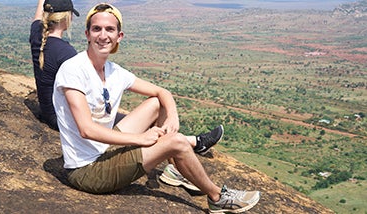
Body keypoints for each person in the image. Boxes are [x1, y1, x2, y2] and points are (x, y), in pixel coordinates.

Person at [53, 3, 260, 213]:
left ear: (119, 36)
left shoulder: (114, 71)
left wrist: (172, 117)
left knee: (156, 103)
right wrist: (140, 139)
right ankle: (217, 197)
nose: (103, 35)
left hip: (104, 149)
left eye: (110, 29)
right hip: (87, 169)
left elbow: (162, 93)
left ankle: (175, 169)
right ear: (87, 34)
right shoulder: (73, 70)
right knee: (178, 142)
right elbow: (86, 130)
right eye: (97, 29)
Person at [29, 0, 79, 130]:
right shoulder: (66, 52)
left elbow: (38, 17)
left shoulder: (36, 35)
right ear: (67, 18)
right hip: (60, 119)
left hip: (48, 112)